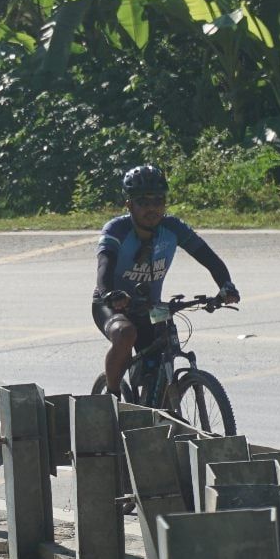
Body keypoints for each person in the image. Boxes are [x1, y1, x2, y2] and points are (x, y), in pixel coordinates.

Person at [92, 164, 239, 395]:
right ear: (129, 204)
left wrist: (226, 286)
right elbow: (105, 266)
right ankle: (110, 396)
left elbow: (209, 258)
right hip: (111, 303)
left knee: (165, 341)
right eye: (143, 202)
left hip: (150, 306)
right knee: (125, 333)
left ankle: (157, 399)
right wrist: (110, 294)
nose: (152, 209)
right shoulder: (117, 229)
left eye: (158, 201)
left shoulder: (173, 228)